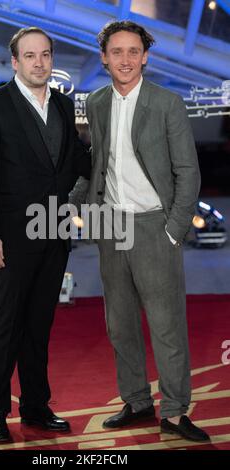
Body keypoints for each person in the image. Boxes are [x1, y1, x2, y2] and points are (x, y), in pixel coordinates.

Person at [69, 20, 209, 442]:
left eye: (133, 51)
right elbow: (96, 164)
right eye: (117, 52)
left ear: (145, 56)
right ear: (104, 58)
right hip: (111, 225)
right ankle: (135, 400)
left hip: (154, 226)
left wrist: (173, 230)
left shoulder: (167, 103)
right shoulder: (94, 102)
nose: (125, 59)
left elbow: (188, 172)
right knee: (120, 323)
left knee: (167, 325)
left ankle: (174, 411)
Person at [0, 26, 90, 442]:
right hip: (10, 237)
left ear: (51, 59)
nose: (39, 62)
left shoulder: (62, 102)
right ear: (16, 62)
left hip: (54, 233)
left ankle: (36, 407)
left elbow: (73, 160)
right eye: (30, 56)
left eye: (46, 55)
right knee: (8, 324)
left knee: (40, 325)